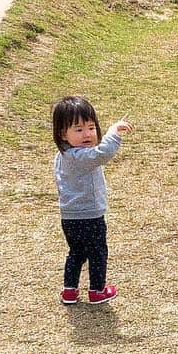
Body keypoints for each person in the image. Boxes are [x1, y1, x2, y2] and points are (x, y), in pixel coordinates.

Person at [52, 97, 133, 305]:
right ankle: (97, 291)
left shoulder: (63, 155)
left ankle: (69, 290)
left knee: (76, 253)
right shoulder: (80, 157)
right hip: (89, 215)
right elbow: (102, 154)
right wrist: (113, 132)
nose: (87, 134)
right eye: (78, 129)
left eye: (90, 127)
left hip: (69, 216)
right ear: (63, 134)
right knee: (97, 253)